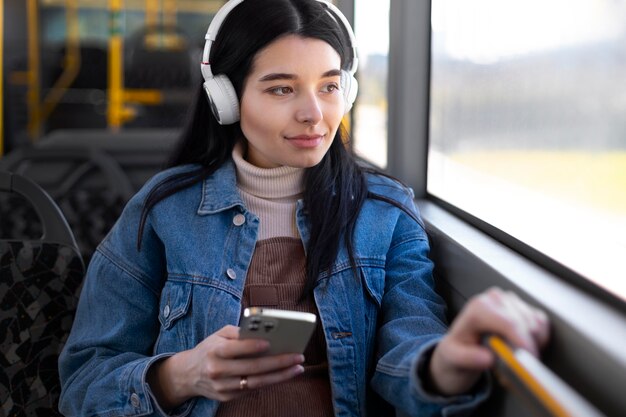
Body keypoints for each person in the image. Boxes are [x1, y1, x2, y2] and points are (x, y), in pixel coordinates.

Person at [58, 0, 550, 416]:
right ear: (226, 99)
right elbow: (82, 383)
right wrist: (181, 376)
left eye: (329, 86)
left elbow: (409, 342)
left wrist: (443, 365)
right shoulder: (163, 211)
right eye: (281, 88)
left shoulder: (385, 212)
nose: (314, 114)